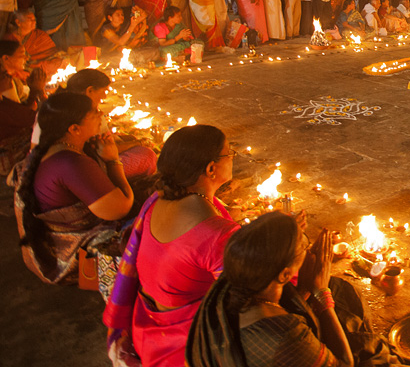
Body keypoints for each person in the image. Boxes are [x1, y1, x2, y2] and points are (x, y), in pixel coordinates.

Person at [103, 125, 240, 367]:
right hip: (186, 344)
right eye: (230, 154)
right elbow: (245, 302)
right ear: (211, 168)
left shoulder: (157, 200)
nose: (233, 158)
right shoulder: (216, 233)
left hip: (148, 330)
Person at [187, 213, 355, 367]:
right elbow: (345, 364)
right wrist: (321, 292)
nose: (307, 248)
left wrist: (304, 288)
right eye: (303, 246)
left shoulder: (229, 284)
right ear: (284, 274)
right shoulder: (285, 333)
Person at [12, 92, 133, 284]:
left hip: (53, 243)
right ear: (75, 128)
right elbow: (119, 210)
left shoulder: (50, 148)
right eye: (94, 113)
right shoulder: (70, 162)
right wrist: (113, 161)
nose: (101, 114)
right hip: (75, 254)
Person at [1, 40, 44, 171]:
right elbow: (29, 118)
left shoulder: (8, 79)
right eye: (22, 54)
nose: (26, 58)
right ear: (6, 58)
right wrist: (37, 91)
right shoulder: (3, 81)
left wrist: (34, 91)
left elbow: (21, 113)